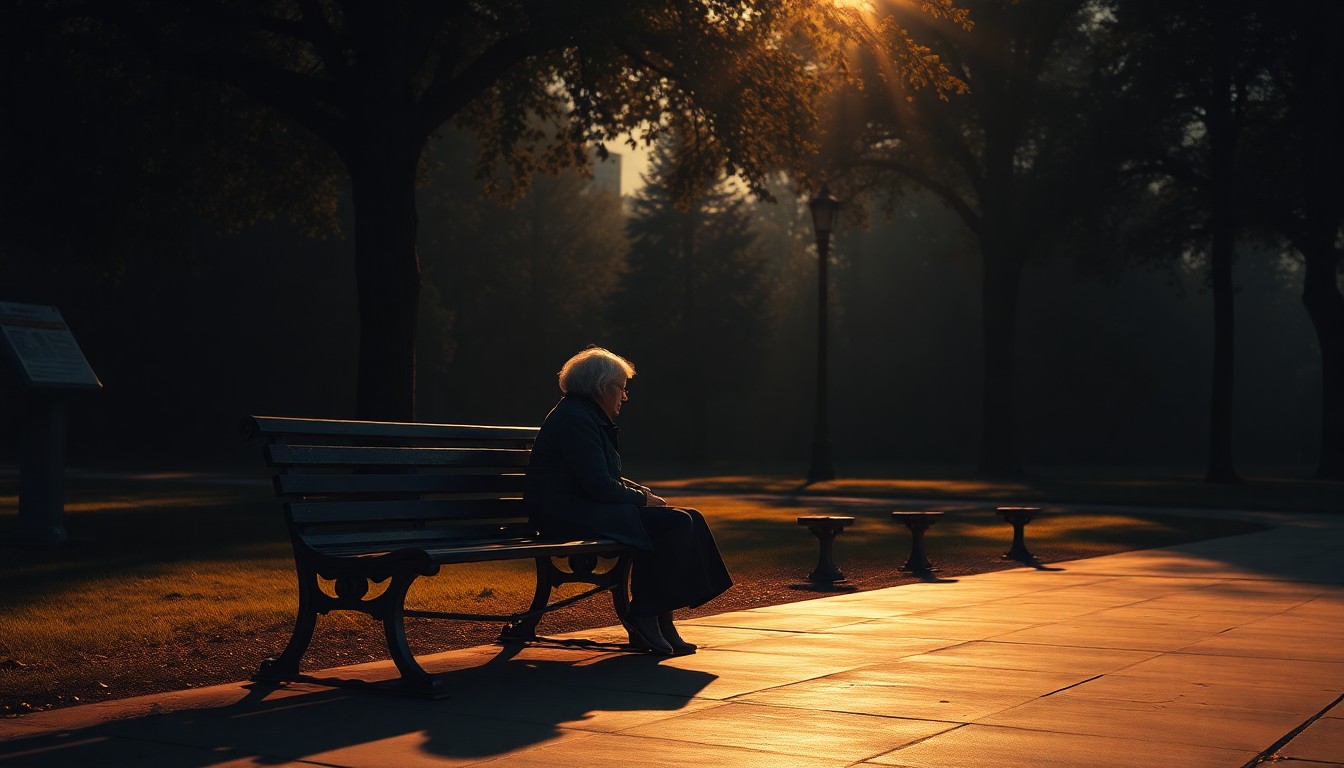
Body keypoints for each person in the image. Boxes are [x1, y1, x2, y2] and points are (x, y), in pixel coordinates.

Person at [524, 346, 732, 655]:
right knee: (673, 523)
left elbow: (604, 478)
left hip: (584, 508)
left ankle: (662, 616)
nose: (624, 396)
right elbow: (599, 486)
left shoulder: (585, 415)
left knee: (690, 517)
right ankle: (645, 614)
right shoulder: (576, 419)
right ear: (600, 387)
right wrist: (644, 501)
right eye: (621, 388)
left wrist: (643, 494)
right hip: (566, 514)